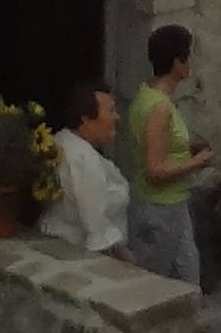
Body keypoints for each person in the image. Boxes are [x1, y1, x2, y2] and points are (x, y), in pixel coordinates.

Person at [126, 22, 210, 283]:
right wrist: (197, 162)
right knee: (154, 284)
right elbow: (155, 170)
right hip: (160, 207)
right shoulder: (159, 107)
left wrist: (186, 151)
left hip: (173, 204)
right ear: (177, 63)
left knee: (188, 276)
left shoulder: (147, 95)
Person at [49, 80, 132, 257]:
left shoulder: (61, 140)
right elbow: (95, 223)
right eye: (111, 111)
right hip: (77, 251)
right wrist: (122, 256)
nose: (117, 117)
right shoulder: (83, 159)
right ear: (86, 119)